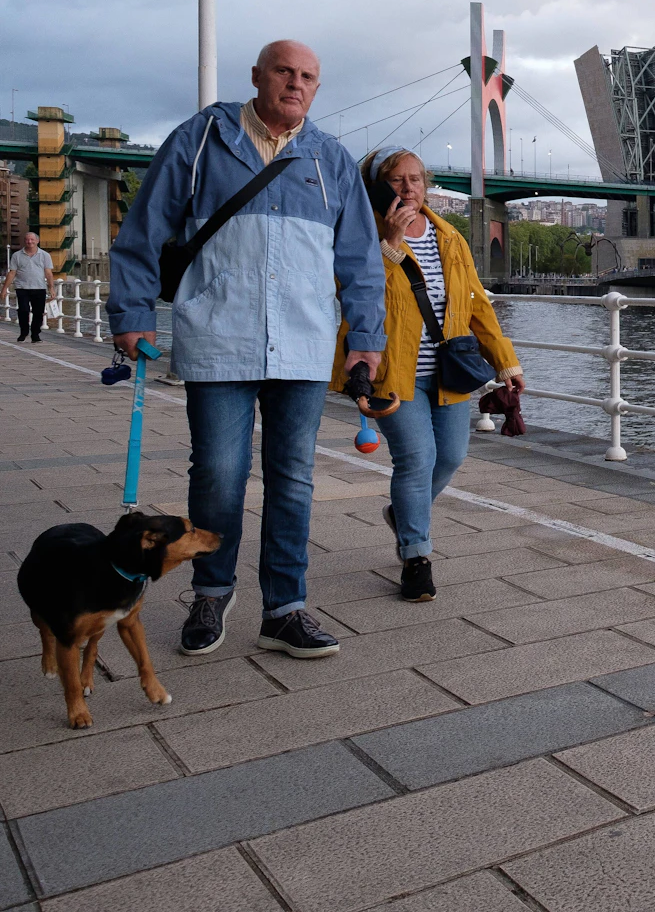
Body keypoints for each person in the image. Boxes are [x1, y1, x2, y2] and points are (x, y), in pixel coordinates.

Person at [109, 40, 385, 658]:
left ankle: (285, 609)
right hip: (218, 335)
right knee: (218, 474)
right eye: (284, 71)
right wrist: (131, 312)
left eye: (307, 76)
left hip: (304, 342)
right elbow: (144, 228)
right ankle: (211, 592)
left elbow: (362, 261)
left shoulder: (331, 160)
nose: (295, 83)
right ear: (257, 76)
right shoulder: (200, 140)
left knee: (293, 479)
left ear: (317, 88)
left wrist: (366, 339)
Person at [337, 149, 522, 601]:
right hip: (393, 372)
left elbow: (475, 302)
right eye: (396, 180)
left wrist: (505, 361)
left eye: (416, 179)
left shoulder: (449, 236)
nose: (408, 189)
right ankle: (416, 557)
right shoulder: (362, 232)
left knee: (451, 457)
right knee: (416, 460)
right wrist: (390, 244)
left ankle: (402, 515)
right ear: (378, 188)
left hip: (448, 372)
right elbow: (354, 292)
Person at [4, 231, 57, 342]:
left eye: (32, 239)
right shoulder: (17, 255)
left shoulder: (45, 255)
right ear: (24, 241)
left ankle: (35, 334)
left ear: (37, 241)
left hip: (39, 287)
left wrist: (51, 288)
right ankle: (24, 332)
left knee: (38, 312)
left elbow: (48, 273)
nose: (29, 242)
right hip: (22, 288)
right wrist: (4, 289)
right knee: (23, 310)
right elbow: (12, 273)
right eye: (27, 239)